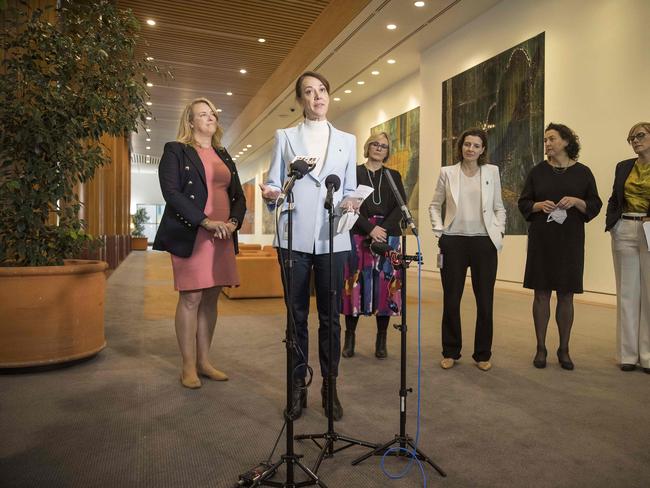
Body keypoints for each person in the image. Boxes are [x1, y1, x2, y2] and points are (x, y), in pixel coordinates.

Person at [260, 71, 357, 420]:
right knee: (296, 316)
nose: (316, 96)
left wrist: (351, 201)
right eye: (308, 92)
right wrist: (271, 195)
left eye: (321, 90)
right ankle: (297, 386)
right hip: (293, 237)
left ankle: (330, 387)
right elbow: (273, 184)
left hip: (333, 238)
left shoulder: (347, 139)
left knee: (331, 319)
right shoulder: (285, 137)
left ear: (329, 96)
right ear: (300, 101)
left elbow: (349, 187)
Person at [153, 97, 246, 389]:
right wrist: (205, 221)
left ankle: (205, 361)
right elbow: (171, 192)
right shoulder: (176, 150)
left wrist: (232, 224)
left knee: (210, 297)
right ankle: (188, 366)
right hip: (194, 231)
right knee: (191, 296)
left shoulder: (223, 153)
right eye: (202, 114)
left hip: (222, 235)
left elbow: (238, 196)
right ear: (190, 121)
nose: (210, 117)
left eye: (212, 114)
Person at [518, 123, 602, 370]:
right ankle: (541, 348)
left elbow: (595, 205)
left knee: (566, 294)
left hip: (570, 241)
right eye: (545, 140)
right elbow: (524, 203)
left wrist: (577, 201)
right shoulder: (537, 172)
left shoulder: (583, 173)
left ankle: (564, 349)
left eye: (552, 139)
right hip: (542, 240)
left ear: (566, 141)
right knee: (541, 293)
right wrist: (537, 205)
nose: (547, 144)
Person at [429, 128, 506, 372]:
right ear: (460, 146)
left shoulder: (491, 172)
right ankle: (450, 351)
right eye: (467, 144)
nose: (470, 149)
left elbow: (499, 207)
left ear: (483, 149)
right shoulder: (447, 173)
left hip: (484, 243)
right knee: (452, 299)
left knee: (485, 301)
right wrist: (440, 232)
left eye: (476, 145)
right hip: (454, 242)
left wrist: (499, 231)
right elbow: (434, 205)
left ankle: (483, 353)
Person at [341, 132, 406, 360]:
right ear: (368, 147)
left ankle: (381, 340)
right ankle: (349, 339)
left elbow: (400, 206)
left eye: (384, 146)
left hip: (388, 237)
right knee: (355, 287)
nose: (379, 148)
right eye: (375, 144)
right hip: (359, 235)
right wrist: (370, 229)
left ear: (387, 152)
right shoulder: (354, 173)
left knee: (385, 287)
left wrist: (383, 230)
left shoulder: (393, 176)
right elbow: (348, 205)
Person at [605, 122, 650, 373]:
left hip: (649, 228)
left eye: (640, 135)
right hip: (625, 228)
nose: (635, 141)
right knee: (627, 293)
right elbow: (614, 198)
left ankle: (648, 355)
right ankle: (627, 355)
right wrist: (613, 224)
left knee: (649, 294)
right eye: (631, 138)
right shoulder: (623, 167)